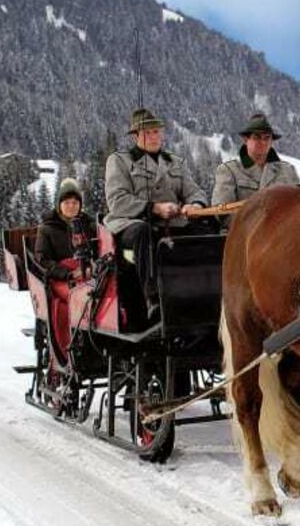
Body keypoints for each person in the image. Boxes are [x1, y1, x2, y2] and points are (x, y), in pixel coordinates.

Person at [104, 107, 208, 300]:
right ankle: (153, 298)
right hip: (131, 224)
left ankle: (208, 290)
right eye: (147, 132)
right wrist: (154, 208)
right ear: (136, 136)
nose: (153, 137)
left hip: (173, 222)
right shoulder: (120, 161)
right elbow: (117, 201)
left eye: (156, 132)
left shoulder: (175, 162)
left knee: (207, 230)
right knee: (144, 232)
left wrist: (195, 205)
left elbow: (194, 191)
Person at [35, 177, 97, 360]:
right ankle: (66, 351)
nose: (71, 206)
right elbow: (43, 260)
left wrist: (91, 267)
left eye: (75, 202)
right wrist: (68, 273)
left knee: (100, 295)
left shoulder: (88, 225)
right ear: (59, 204)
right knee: (76, 297)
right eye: (67, 202)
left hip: (87, 273)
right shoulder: (47, 229)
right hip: (60, 278)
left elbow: (98, 250)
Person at [211, 111, 300, 207]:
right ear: (246, 140)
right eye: (257, 137)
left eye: (266, 138)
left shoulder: (288, 171)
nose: (262, 142)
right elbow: (221, 211)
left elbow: (299, 205)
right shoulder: (229, 170)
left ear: (271, 141)